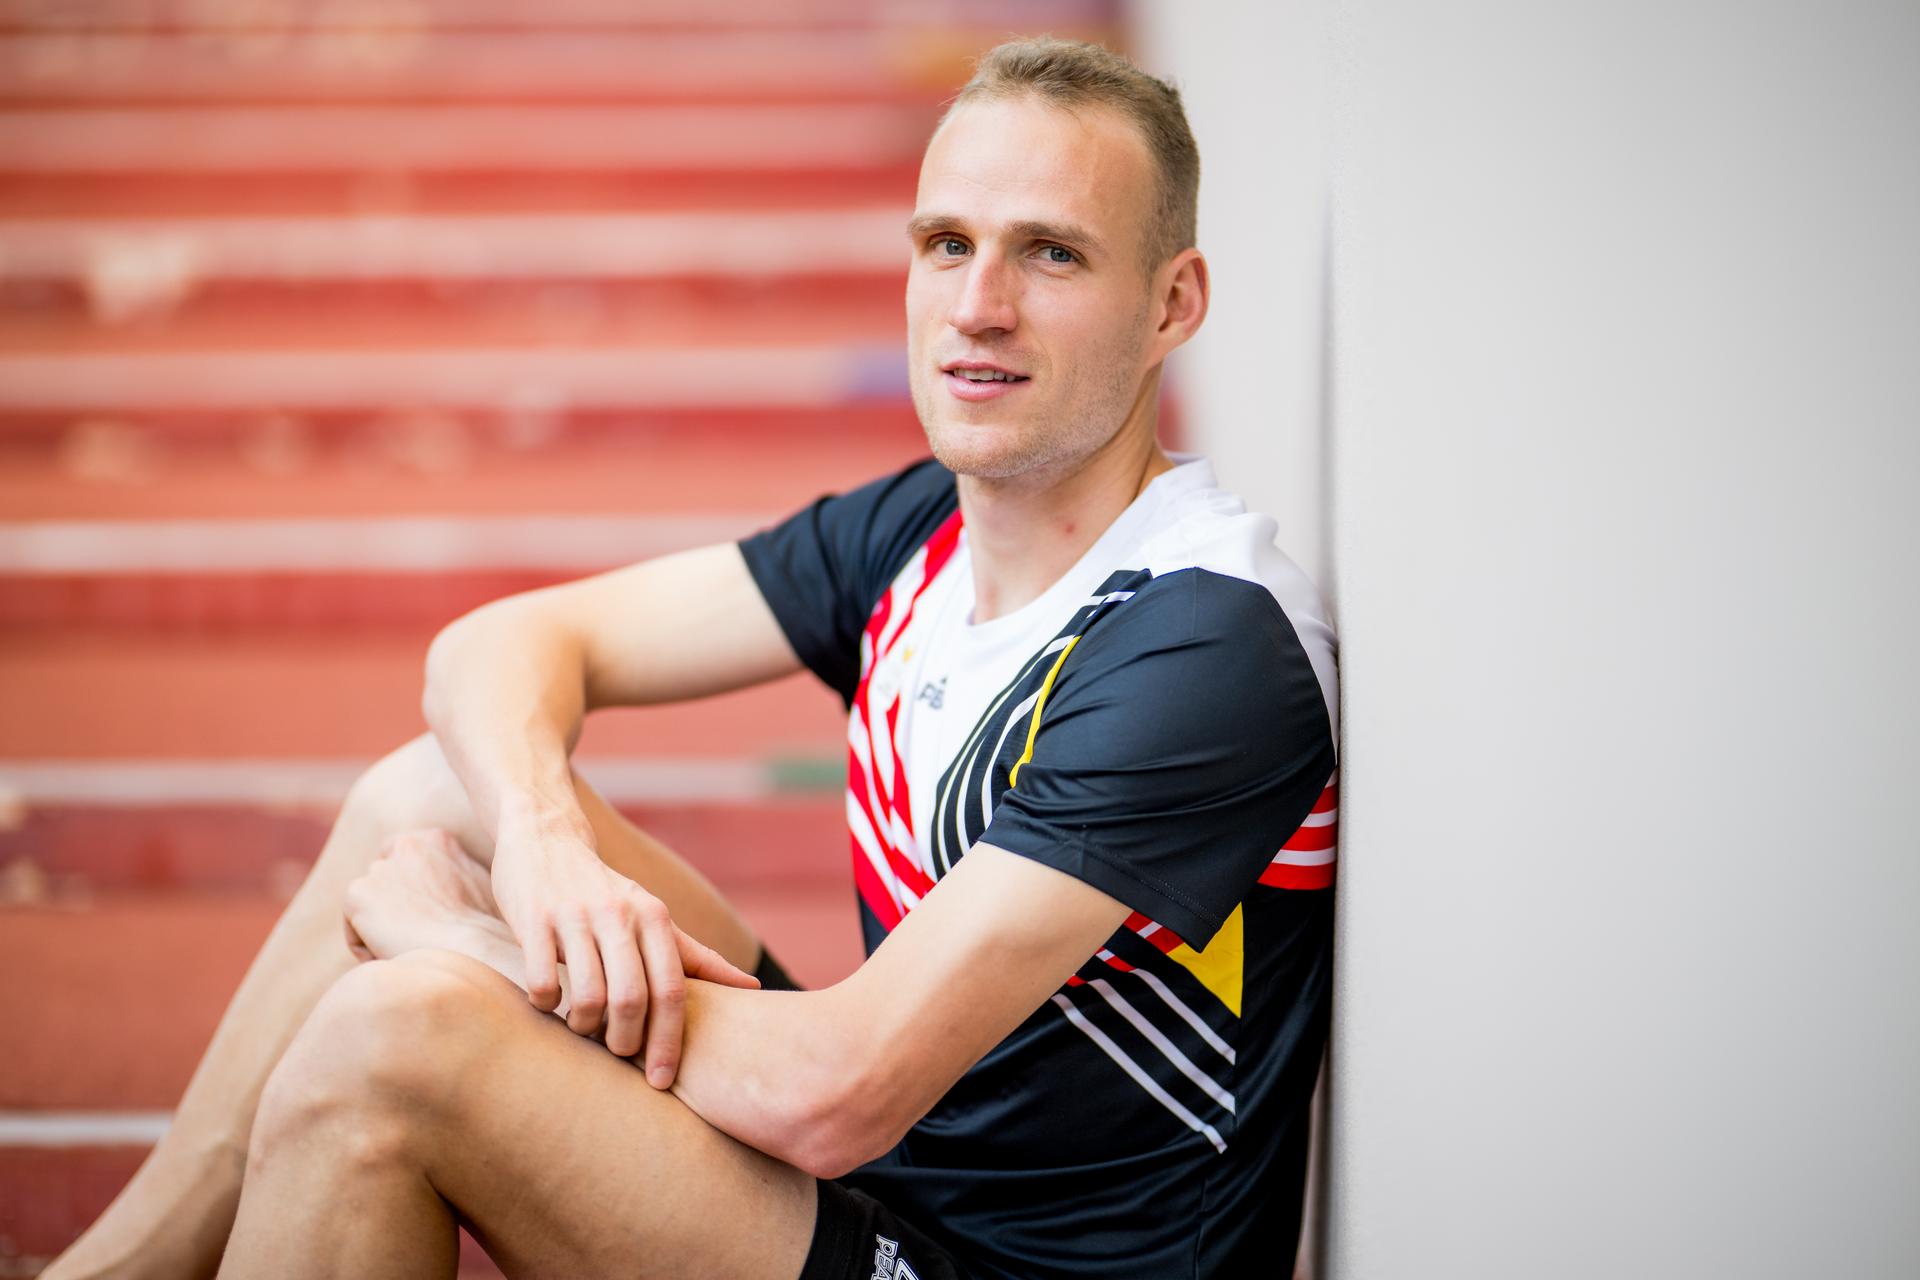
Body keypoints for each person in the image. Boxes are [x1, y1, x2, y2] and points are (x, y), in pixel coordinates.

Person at [44, 37, 1338, 1280]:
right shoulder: (919, 534)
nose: (977, 305)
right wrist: (541, 852)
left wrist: (489, 946)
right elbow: (501, 646)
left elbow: (840, 1090)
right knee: (442, 793)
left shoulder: (1203, 644)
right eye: (946, 244)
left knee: (398, 1042)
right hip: (895, 1180)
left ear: (1173, 304)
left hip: (990, 1256)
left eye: (1050, 254)